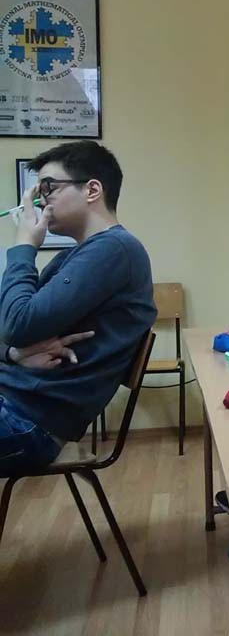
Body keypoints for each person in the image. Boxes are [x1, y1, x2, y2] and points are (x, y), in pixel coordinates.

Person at [0, 142, 155, 474]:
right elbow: (10, 327)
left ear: (92, 190)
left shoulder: (115, 250)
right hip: (15, 404)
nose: (39, 201)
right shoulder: (74, 255)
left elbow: (17, 323)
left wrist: (24, 245)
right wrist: (13, 354)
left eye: (49, 187)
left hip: (26, 421)